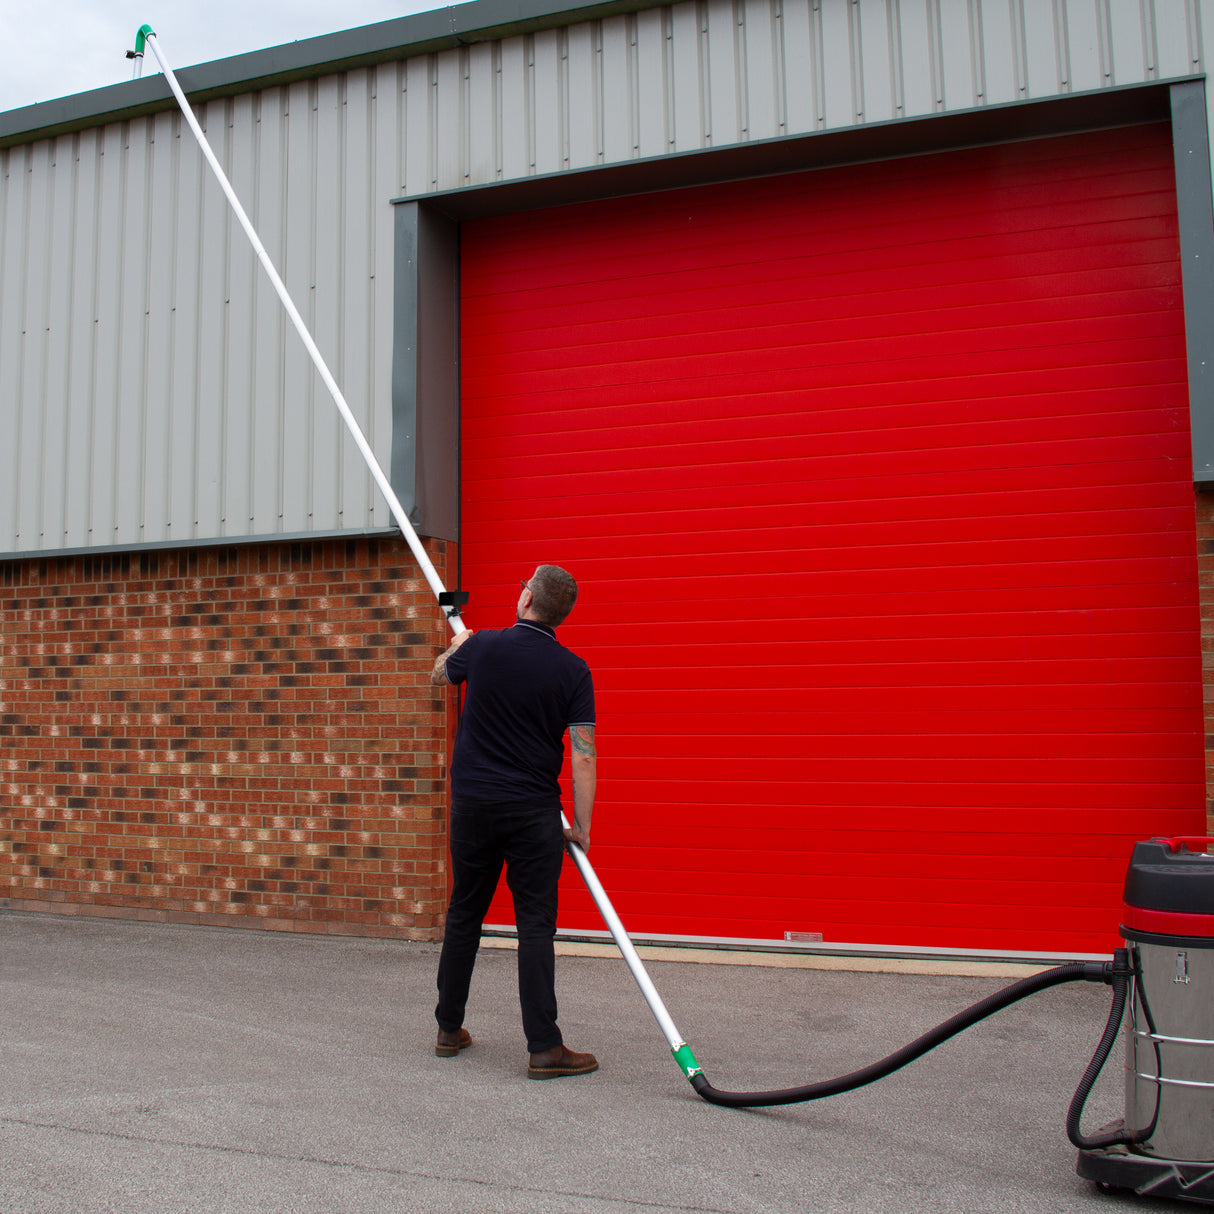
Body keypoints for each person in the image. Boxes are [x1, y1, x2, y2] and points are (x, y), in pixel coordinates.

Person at [430, 564, 599, 1079]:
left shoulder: (482, 647)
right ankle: (544, 1047)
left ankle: (447, 1027)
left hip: (475, 806)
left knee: (465, 913)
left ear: (526, 598)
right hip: (533, 814)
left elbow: (439, 674)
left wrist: (460, 647)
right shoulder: (573, 669)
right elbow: (584, 755)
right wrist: (583, 829)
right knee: (535, 927)